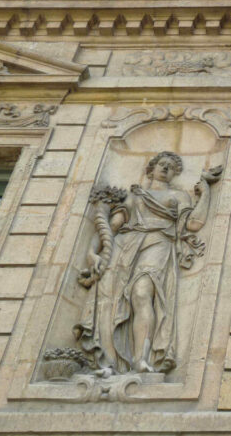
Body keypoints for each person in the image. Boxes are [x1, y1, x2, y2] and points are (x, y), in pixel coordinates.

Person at [75, 151, 211, 375]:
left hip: (158, 241)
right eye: (162, 164)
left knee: (141, 293)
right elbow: (112, 226)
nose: (166, 169)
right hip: (125, 244)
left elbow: (194, 224)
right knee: (109, 300)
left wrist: (205, 192)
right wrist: (92, 253)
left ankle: (141, 359)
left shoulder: (179, 196)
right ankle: (108, 363)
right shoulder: (135, 195)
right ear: (151, 168)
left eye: (171, 167)